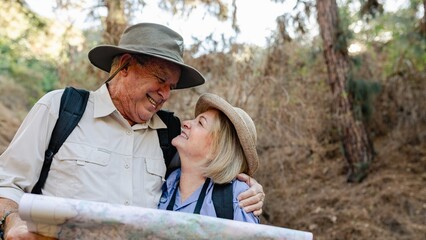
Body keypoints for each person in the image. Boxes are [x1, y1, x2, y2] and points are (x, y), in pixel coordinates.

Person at [0, 23, 265, 239]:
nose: (165, 95)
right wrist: (11, 222)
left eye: (171, 87)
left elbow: (206, 165)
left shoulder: (168, 134)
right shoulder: (60, 109)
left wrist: (248, 188)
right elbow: (6, 183)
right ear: (126, 65)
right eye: (161, 80)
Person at [158, 93, 260, 223]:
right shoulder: (166, 182)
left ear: (218, 149)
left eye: (200, 123)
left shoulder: (238, 198)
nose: (185, 123)